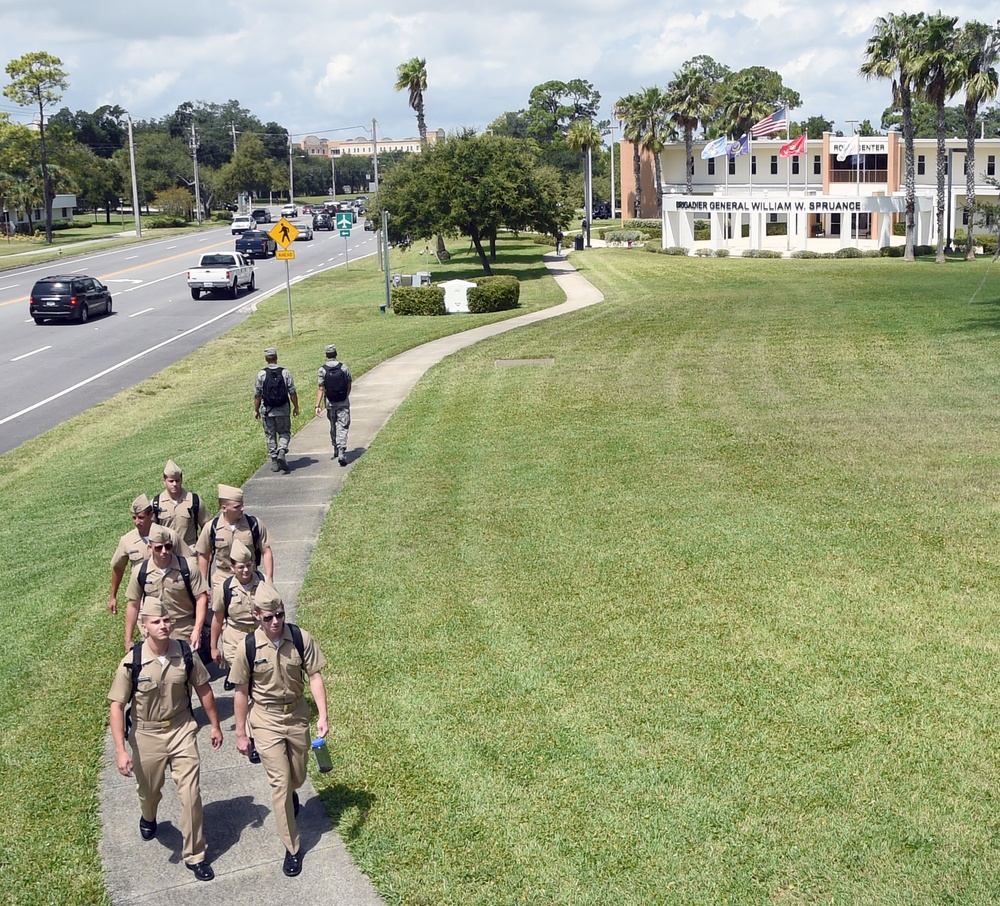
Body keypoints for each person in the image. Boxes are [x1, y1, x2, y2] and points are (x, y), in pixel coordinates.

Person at [108, 598, 223, 882]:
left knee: (191, 794)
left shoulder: (184, 652)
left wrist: (215, 725)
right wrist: (121, 750)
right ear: (143, 626)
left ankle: (195, 855)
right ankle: (148, 815)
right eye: (156, 622)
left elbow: (204, 688)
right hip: (146, 735)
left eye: (167, 620)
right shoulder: (132, 662)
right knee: (149, 791)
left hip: (182, 729)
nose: (163, 625)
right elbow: (116, 706)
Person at [230, 583, 328, 877]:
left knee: (297, 775)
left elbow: (315, 676)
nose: (276, 622)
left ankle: (292, 794)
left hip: (297, 715)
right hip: (265, 719)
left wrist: (322, 715)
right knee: (280, 783)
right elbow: (240, 692)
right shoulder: (247, 647)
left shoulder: (299, 638)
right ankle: (292, 847)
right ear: (257, 615)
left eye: (280, 615)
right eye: (269, 617)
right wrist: (241, 733)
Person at [124, 524, 209, 654]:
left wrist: (197, 630)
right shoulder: (140, 571)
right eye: (158, 548)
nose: (164, 551)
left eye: (168, 546)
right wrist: (128, 638)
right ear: (150, 548)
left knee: (189, 670)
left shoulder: (188, 567)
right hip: (155, 631)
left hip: (184, 628)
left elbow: (201, 598)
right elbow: (133, 605)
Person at [109, 494, 192, 615]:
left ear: (151, 515)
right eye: (134, 518)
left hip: (172, 594)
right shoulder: (127, 540)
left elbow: (189, 562)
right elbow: (118, 567)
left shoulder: (169, 535)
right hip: (144, 597)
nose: (137, 522)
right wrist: (113, 596)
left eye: (141, 517)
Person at [196, 484, 273, 608]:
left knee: (254, 614)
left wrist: (269, 579)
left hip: (250, 577)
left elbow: (266, 551)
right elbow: (204, 556)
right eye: (237, 507)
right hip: (223, 579)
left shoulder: (253, 524)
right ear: (224, 508)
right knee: (222, 617)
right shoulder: (212, 527)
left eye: (242, 504)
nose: (242, 508)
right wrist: (203, 584)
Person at [254, 347, 299, 473]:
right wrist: (296, 406)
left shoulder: (261, 374)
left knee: (270, 435)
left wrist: (256, 410)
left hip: (267, 410)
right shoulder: (285, 372)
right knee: (284, 432)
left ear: (266, 359)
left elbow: (257, 394)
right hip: (283, 409)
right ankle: (282, 450)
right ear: (276, 357)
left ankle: (274, 461)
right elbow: (292, 391)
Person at [152, 459, 209, 547]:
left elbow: (207, 527)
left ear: (181, 480)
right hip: (166, 553)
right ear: (164, 481)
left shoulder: (194, 500)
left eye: (177, 481)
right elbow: (150, 531)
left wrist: (203, 548)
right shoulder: (156, 503)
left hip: (190, 551)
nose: (174, 484)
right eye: (171, 481)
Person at [314, 343, 352, 466]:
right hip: (343, 402)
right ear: (336, 354)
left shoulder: (322, 370)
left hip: (330, 403)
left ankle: (335, 447)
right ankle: (342, 450)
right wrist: (346, 395)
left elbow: (321, 388)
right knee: (343, 426)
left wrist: (317, 406)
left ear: (326, 355)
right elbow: (349, 383)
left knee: (333, 425)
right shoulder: (344, 367)